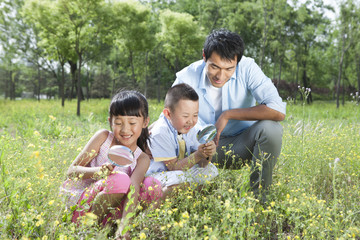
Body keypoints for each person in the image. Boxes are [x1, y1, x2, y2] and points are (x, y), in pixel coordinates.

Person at [172, 29, 286, 202]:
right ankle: (186, 197)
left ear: (237, 63)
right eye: (214, 66)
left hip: (239, 145)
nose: (220, 76)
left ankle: (260, 201)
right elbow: (168, 120)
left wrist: (228, 115)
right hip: (197, 149)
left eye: (229, 69)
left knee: (271, 129)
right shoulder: (186, 77)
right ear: (204, 56)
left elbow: (277, 110)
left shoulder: (248, 68)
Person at [60, 90, 162, 239]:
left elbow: (133, 190)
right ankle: (85, 228)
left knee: (153, 185)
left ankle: (112, 228)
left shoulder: (142, 159)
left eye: (132, 123)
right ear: (110, 121)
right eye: (118, 123)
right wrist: (97, 172)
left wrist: (124, 227)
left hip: (112, 211)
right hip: (85, 205)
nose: (125, 129)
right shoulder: (104, 138)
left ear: (145, 122)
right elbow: (71, 171)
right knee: (120, 179)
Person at [146, 83, 218, 197]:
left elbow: (202, 164)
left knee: (211, 170)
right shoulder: (161, 131)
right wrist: (198, 155)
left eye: (195, 115)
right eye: (185, 116)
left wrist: (208, 154)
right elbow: (173, 167)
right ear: (168, 114)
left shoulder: (193, 128)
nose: (191, 121)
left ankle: (189, 194)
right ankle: (179, 195)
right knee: (180, 177)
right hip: (159, 174)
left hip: (182, 170)